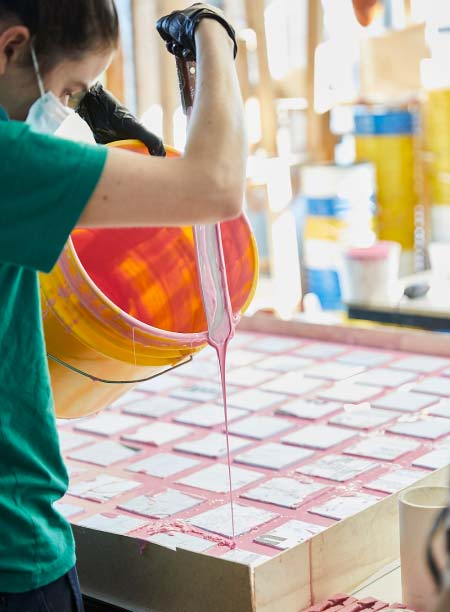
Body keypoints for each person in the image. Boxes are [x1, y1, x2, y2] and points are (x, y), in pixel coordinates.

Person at [0, 1, 245, 610]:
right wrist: (213, 31)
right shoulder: (8, 160)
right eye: (69, 91)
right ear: (10, 49)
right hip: (13, 554)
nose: (67, 109)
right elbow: (215, 185)